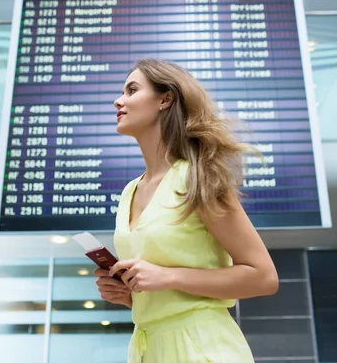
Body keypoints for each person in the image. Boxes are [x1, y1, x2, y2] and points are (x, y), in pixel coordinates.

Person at [94, 59, 279, 362]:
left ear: (165, 99)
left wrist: (167, 277)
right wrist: (130, 295)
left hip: (202, 346)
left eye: (131, 90)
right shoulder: (130, 191)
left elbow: (264, 277)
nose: (119, 100)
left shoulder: (197, 178)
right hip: (147, 347)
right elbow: (163, 288)